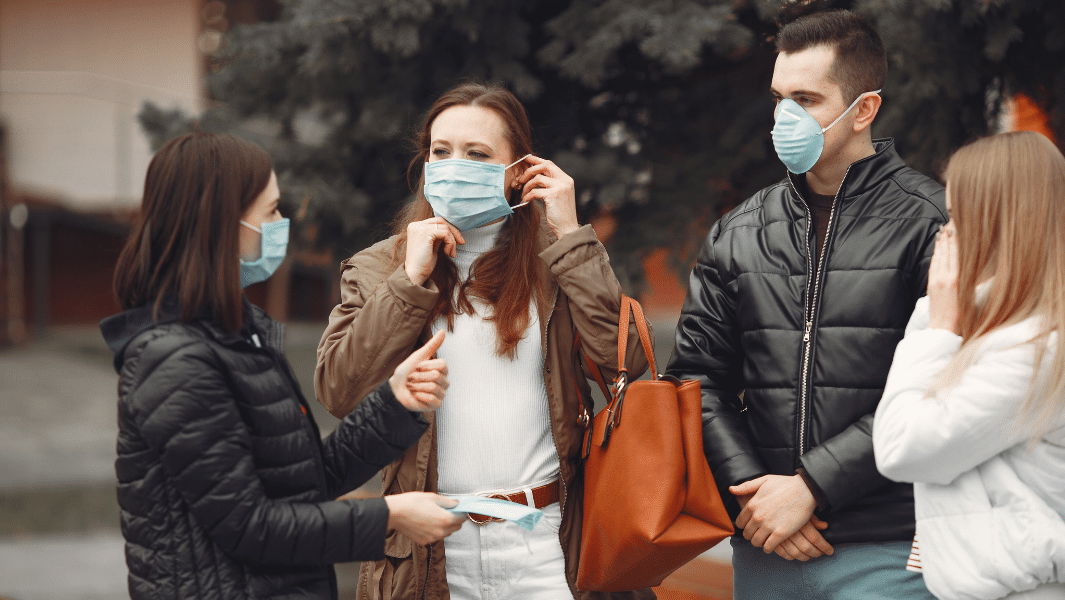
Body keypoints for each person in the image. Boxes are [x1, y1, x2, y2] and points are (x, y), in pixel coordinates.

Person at [312, 82, 654, 600]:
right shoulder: (380, 266)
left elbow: (623, 363)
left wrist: (569, 233)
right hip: (431, 549)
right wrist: (410, 281)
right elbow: (339, 391)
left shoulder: (556, 258)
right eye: (441, 151)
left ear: (518, 170)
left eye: (477, 154)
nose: (454, 166)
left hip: (544, 543)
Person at [100, 132, 467, 600]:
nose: (282, 222)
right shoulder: (175, 359)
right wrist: (390, 516)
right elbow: (251, 526)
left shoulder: (237, 335)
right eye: (270, 211)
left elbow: (303, 482)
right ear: (220, 224)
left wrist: (394, 404)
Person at [665, 9, 948, 599]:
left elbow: (944, 386)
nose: (784, 117)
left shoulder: (934, 223)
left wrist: (811, 488)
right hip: (767, 546)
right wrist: (756, 494)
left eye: (806, 99)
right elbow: (697, 379)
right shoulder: (738, 231)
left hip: (892, 550)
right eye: (778, 98)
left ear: (863, 109)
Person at [873, 130, 1065, 600]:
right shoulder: (1021, 333)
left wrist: (938, 325)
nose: (946, 232)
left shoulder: (1037, 351)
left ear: (998, 224)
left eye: (958, 216)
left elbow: (901, 447)